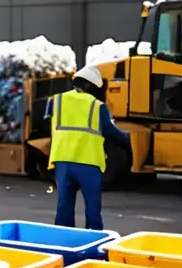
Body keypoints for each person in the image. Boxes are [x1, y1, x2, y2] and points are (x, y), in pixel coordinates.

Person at [48, 64, 131, 231]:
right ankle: (93, 243)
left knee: (64, 207)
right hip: (88, 163)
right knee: (92, 210)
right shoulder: (97, 106)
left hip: (62, 161)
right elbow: (111, 132)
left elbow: (48, 122)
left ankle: (62, 243)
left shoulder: (56, 100)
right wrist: (127, 138)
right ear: (91, 86)